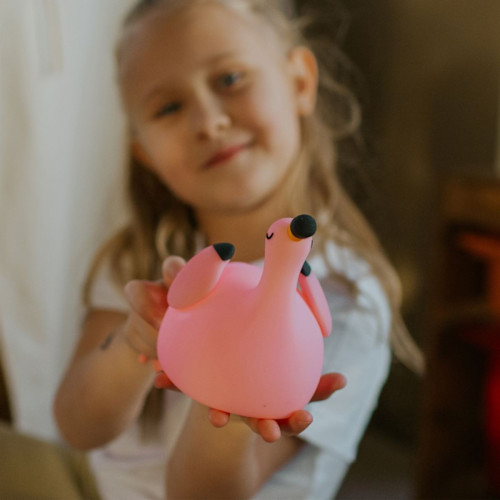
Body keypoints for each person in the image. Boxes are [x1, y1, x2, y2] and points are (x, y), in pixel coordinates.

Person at [49, 0, 424, 499]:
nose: (208, 121)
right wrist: (135, 342)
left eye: (230, 79)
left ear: (299, 82)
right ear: (146, 155)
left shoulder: (343, 301)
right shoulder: (140, 263)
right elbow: (77, 428)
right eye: (168, 107)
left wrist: (235, 396)